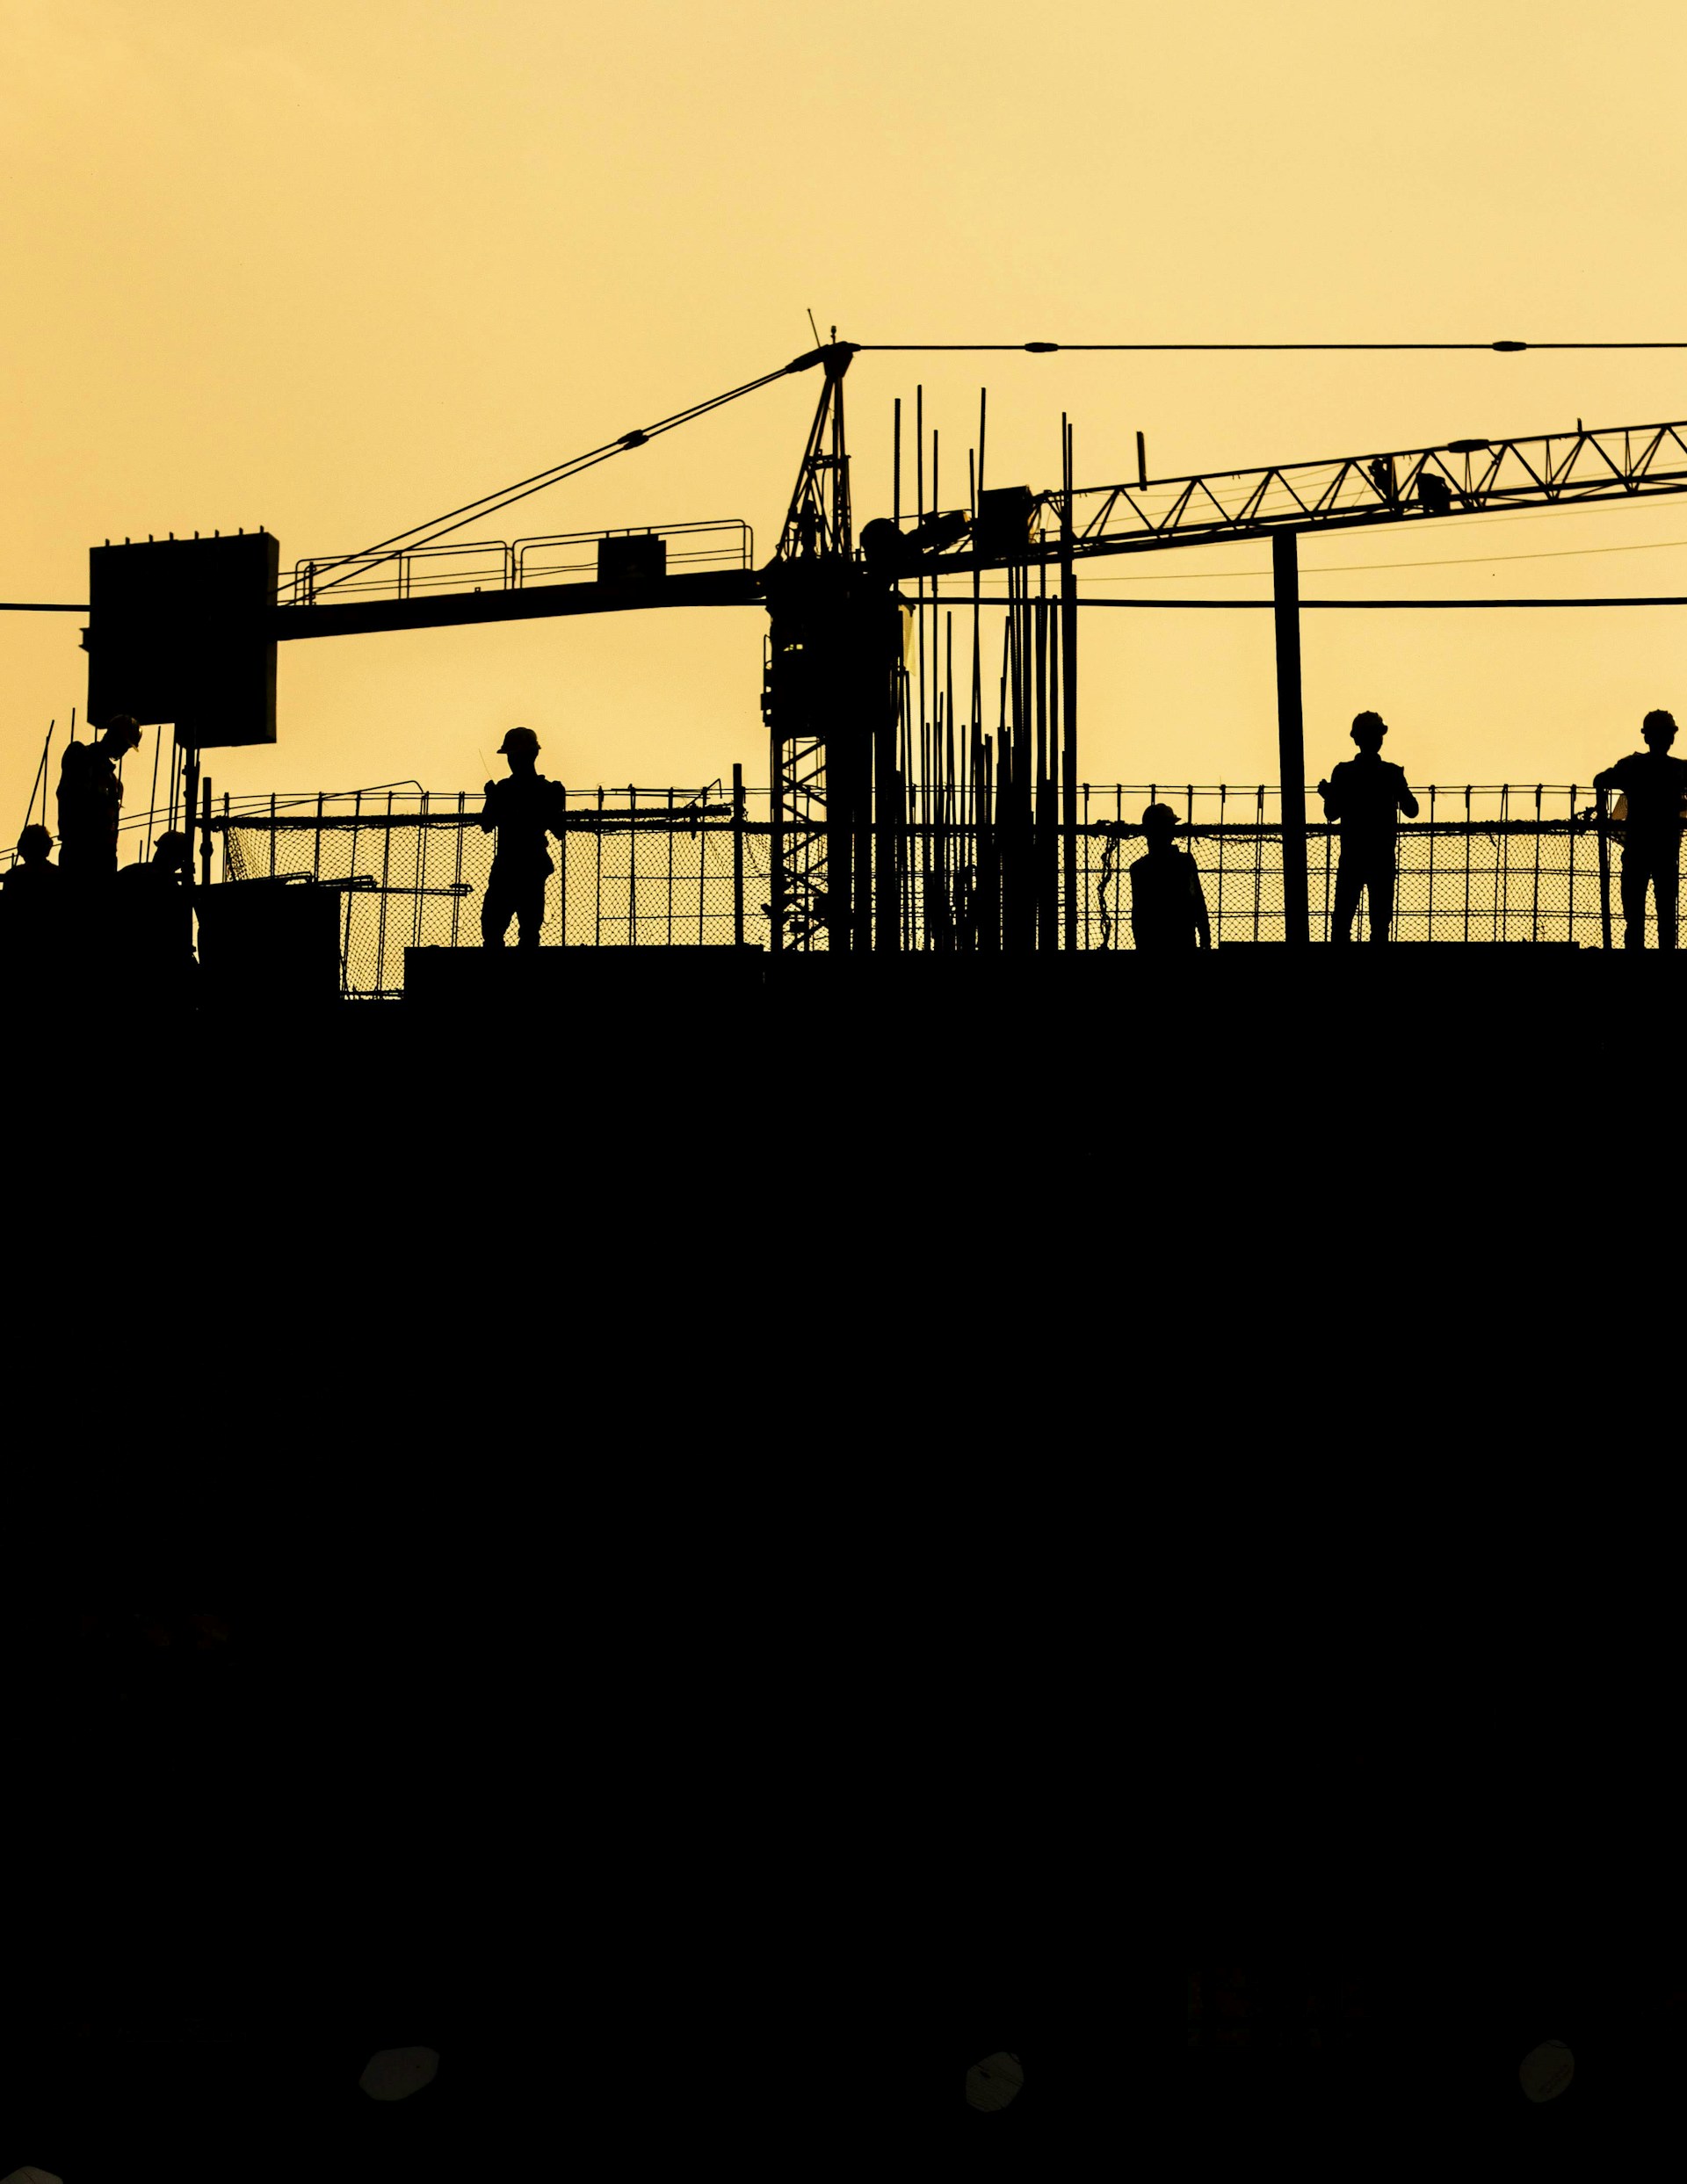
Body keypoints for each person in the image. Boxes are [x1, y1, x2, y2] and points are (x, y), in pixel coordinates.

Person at [1318, 712, 1419, 944]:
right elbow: (1412, 810)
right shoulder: (1392, 773)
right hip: (1382, 856)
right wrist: (1398, 788)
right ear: (1379, 739)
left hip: (1353, 856)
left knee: (1342, 922)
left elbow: (1331, 813)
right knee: (1380, 924)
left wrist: (1329, 795)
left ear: (1356, 739)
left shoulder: (1343, 772)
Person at [1593, 709, 1687, 950]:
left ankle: (1635, 952)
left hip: (1638, 849)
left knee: (1635, 912)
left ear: (1647, 737)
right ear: (1671, 737)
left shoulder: (1633, 766)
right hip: (1665, 851)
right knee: (1666, 912)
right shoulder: (1679, 770)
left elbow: (1601, 780)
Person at [479, 727, 567, 949]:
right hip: (530, 865)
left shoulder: (505, 790)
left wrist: (493, 798)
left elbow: (486, 825)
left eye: (513, 755)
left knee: (496, 929)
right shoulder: (547, 790)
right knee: (524, 930)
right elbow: (559, 830)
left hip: (511, 866)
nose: (512, 760)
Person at [56, 714, 143, 883]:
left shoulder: (115, 783)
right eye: (123, 745)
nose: (123, 751)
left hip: (105, 856)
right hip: (79, 851)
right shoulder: (80, 755)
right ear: (111, 736)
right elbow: (74, 797)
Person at [1128, 803, 1211, 952]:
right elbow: (1197, 902)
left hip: (1152, 944)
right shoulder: (1184, 863)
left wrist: (1141, 945)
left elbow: (1139, 915)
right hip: (1182, 941)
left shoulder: (1139, 868)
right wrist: (1205, 937)